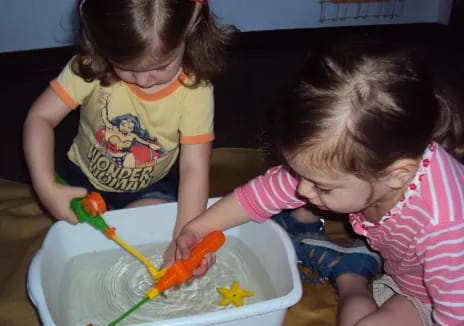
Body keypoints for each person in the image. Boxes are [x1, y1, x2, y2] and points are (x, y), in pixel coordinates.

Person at [169, 42, 464, 326]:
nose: (303, 191)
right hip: (412, 280)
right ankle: (352, 275)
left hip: (442, 300)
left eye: (322, 187)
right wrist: (197, 230)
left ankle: (351, 277)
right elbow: (257, 197)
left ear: (397, 174)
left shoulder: (446, 230)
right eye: (300, 176)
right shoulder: (357, 162)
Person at [23, 0, 234, 246]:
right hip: (84, 182)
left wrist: (186, 237)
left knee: (162, 229)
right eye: (127, 68)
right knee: (84, 244)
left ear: (189, 32)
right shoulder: (93, 64)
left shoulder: (194, 88)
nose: (144, 80)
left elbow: (193, 170)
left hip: (150, 186)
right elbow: (40, 117)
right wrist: (45, 185)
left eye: (162, 66)